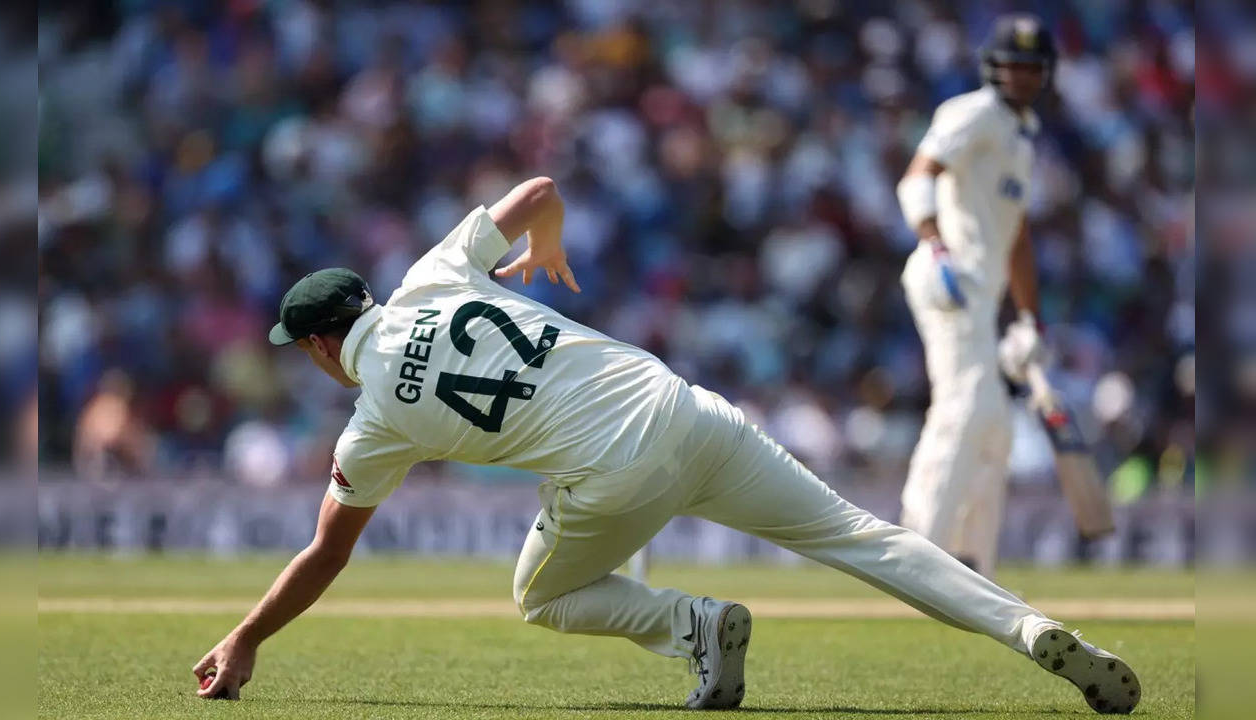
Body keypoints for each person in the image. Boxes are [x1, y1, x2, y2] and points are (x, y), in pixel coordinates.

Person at [192, 176, 1140, 713]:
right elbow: (539, 189)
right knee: (862, 536)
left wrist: (244, 638)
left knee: (540, 593)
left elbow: (325, 553)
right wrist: (549, 241)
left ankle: (690, 625)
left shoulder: (372, 424)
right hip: (687, 407)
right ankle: (1027, 628)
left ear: (322, 344)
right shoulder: (430, 277)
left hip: (612, 474)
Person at [895, 14, 1053, 578]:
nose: (1024, 76)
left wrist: (1031, 318)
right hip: (947, 279)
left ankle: (970, 564)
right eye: (1015, 65)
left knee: (995, 423)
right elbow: (917, 177)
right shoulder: (971, 113)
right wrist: (935, 245)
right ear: (994, 67)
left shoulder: (1022, 138)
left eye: (1034, 67)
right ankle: (914, 552)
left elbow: (1018, 238)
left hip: (981, 296)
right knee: (965, 403)